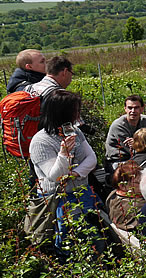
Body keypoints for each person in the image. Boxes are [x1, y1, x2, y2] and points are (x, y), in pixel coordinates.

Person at [29, 90, 102, 258]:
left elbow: (92, 158)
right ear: (62, 112)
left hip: (81, 191)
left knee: (92, 232)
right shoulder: (40, 141)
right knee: (68, 237)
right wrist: (63, 154)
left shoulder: (75, 131)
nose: (78, 114)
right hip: (58, 198)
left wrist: (75, 174)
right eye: (75, 110)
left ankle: (97, 265)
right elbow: (55, 177)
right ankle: (70, 269)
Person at [105, 95, 146, 170]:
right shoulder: (118, 126)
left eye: (136, 108)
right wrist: (141, 143)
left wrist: (136, 143)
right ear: (125, 109)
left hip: (140, 156)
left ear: (142, 109)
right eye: (130, 108)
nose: (133, 111)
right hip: (118, 159)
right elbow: (130, 149)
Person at [106, 160, 146, 231]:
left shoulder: (112, 196)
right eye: (138, 182)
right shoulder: (139, 206)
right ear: (122, 186)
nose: (143, 184)